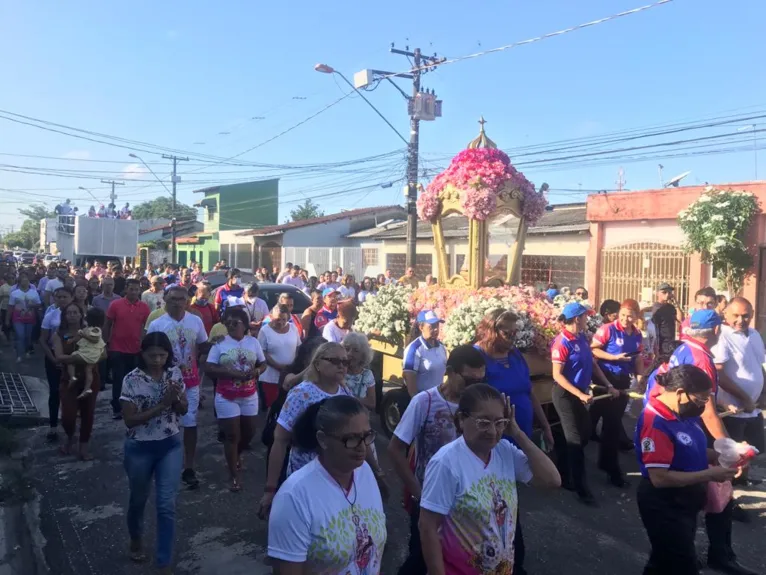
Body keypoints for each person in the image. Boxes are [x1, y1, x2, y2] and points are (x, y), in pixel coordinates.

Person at [644, 309, 755, 572]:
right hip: (681, 445)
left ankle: (709, 552)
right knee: (715, 496)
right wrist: (729, 447)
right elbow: (708, 411)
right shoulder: (700, 359)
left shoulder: (686, 350)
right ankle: (720, 553)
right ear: (716, 331)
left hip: (686, 434)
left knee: (668, 552)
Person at [419, 384, 561, 574]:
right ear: (461, 419)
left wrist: (517, 433)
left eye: (499, 422)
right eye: (483, 423)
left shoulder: (504, 451)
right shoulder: (446, 463)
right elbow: (427, 526)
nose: (493, 432)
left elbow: (552, 480)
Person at [389, 345, 487, 575]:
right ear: (450, 372)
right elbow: (395, 449)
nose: (475, 388)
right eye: (469, 381)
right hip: (430, 500)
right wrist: (417, 492)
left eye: (481, 380)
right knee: (421, 558)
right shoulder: (425, 402)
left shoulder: (480, 405)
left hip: (468, 501)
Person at [259, 342, 386, 518]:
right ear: (317, 364)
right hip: (307, 478)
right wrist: (270, 489)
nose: (342, 365)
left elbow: (362, 437)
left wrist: (376, 470)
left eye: (345, 361)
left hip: (341, 476)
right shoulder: (301, 394)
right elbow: (280, 440)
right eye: (335, 361)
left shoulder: (345, 393)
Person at [635, 364, 739, 575]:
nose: (703, 405)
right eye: (701, 399)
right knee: (683, 564)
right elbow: (659, 478)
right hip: (664, 503)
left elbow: (695, 449)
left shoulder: (684, 414)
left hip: (686, 499)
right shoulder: (656, 422)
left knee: (663, 560)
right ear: (681, 393)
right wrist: (711, 474)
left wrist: (728, 454)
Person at [267, 395, 386, 573]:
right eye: (351, 439)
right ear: (322, 440)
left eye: (367, 436)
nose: (362, 447)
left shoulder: (365, 473)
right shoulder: (293, 498)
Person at [120, 331, 187, 572]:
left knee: (166, 504)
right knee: (138, 499)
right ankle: (136, 538)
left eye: (162, 355)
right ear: (143, 354)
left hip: (170, 444)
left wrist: (177, 399)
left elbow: (183, 409)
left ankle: (163, 560)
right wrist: (163, 404)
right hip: (140, 448)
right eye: (152, 356)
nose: (157, 360)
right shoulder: (132, 379)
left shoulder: (174, 373)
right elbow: (130, 420)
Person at [550, 302, 617, 505]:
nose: (588, 319)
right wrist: (578, 393)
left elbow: (593, 364)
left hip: (580, 395)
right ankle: (581, 488)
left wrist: (608, 385)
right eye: (585, 316)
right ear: (577, 318)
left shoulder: (581, 338)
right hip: (565, 395)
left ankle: (562, 467)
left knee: (586, 432)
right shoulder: (562, 342)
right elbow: (557, 376)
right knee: (576, 442)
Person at [147, 286, 209, 490]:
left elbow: (203, 345)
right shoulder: (157, 324)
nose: (176, 302)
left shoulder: (196, 321)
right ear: (165, 299)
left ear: (187, 301)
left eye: (181, 299)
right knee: (164, 422)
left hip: (190, 382)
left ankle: (188, 467)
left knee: (190, 423)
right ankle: (163, 463)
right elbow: (148, 352)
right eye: (172, 298)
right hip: (164, 380)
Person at [205, 307, 266, 492]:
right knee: (231, 435)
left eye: (235, 322)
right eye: (227, 323)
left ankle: (236, 455)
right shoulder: (220, 343)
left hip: (249, 395)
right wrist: (228, 372)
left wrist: (256, 371)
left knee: (248, 433)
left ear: (245, 324)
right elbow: (208, 367)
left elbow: (262, 363)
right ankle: (233, 475)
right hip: (226, 396)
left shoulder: (253, 342)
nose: (230, 326)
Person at [590, 298, 645, 486]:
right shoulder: (608, 329)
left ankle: (608, 464)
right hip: (604, 379)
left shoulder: (637, 334)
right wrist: (613, 357)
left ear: (636, 316)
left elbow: (637, 359)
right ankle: (582, 459)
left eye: (630, 316)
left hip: (622, 383)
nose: (625, 319)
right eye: (623, 315)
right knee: (600, 423)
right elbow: (594, 350)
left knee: (611, 424)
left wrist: (640, 379)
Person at [711, 297, 765, 480]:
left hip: (753, 408)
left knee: (751, 451)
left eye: (746, 316)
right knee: (731, 457)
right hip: (733, 411)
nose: (741, 320)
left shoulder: (754, 334)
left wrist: (763, 392)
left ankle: (743, 482)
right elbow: (719, 374)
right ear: (725, 313)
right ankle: (728, 493)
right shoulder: (722, 335)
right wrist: (744, 397)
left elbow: (759, 366)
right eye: (736, 315)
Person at [53, 302, 103, 460]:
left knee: (88, 413)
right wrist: (80, 358)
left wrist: (81, 359)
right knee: (68, 416)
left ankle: (83, 447)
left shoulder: (92, 331)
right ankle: (69, 438)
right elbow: (58, 357)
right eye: (69, 313)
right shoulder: (59, 335)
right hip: (69, 380)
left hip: (90, 377)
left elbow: (104, 354)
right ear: (65, 316)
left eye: (75, 312)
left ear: (81, 315)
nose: (73, 315)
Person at [105, 278, 151, 420]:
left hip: (137, 349)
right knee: (119, 379)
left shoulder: (144, 307)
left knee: (136, 379)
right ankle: (117, 409)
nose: (134, 292)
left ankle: (134, 406)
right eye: (131, 289)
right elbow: (107, 324)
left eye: (136, 289)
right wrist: (105, 342)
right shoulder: (115, 305)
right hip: (117, 348)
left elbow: (148, 327)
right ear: (126, 289)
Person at [40, 287, 74, 441]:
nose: (61, 299)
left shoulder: (76, 316)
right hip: (53, 357)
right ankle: (53, 426)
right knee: (54, 391)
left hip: (72, 357)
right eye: (58, 297)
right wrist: (54, 359)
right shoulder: (50, 316)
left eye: (64, 296)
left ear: (71, 298)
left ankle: (71, 424)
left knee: (71, 392)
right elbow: (43, 340)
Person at [258, 304, 301, 409]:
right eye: (277, 319)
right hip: (271, 377)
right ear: (271, 316)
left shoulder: (293, 328)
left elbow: (299, 347)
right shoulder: (265, 330)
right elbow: (261, 352)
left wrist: (293, 365)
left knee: (289, 407)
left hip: (290, 375)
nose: (281, 322)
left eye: (284, 319)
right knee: (273, 407)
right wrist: (278, 366)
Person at [402, 310, 447, 397]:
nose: (436, 329)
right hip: (422, 400)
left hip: (437, 398)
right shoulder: (414, 349)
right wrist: (417, 402)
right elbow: (409, 378)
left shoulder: (441, 347)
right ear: (421, 327)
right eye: (432, 326)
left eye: (437, 325)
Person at [64, 307, 106, 400]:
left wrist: (84, 335)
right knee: (89, 370)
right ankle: (87, 388)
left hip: (89, 353)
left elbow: (94, 339)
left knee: (71, 359)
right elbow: (78, 337)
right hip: (93, 354)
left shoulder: (96, 330)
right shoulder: (88, 329)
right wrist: (72, 340)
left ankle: (72, 377)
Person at [6, 271, 41, 363]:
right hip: (17, 318)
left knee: (28, 336)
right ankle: (19, 355)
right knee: (20, 335)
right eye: (23, 281)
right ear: (19, 282)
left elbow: (39, 305)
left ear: (29, 282)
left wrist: (32, 306)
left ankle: (27, 350)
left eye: (26, 281)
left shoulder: (34, 292)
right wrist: (7, 319)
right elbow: (10, 307)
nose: (25, 282)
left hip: (30, 318)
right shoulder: (14, 293)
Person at [342, 332, 376, 410]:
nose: (349, 353)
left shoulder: (367, 375)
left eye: (356, 350)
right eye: (347, 349)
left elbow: (372, 404)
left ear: (363, 355)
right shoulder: (338, 371)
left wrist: (350, 399)